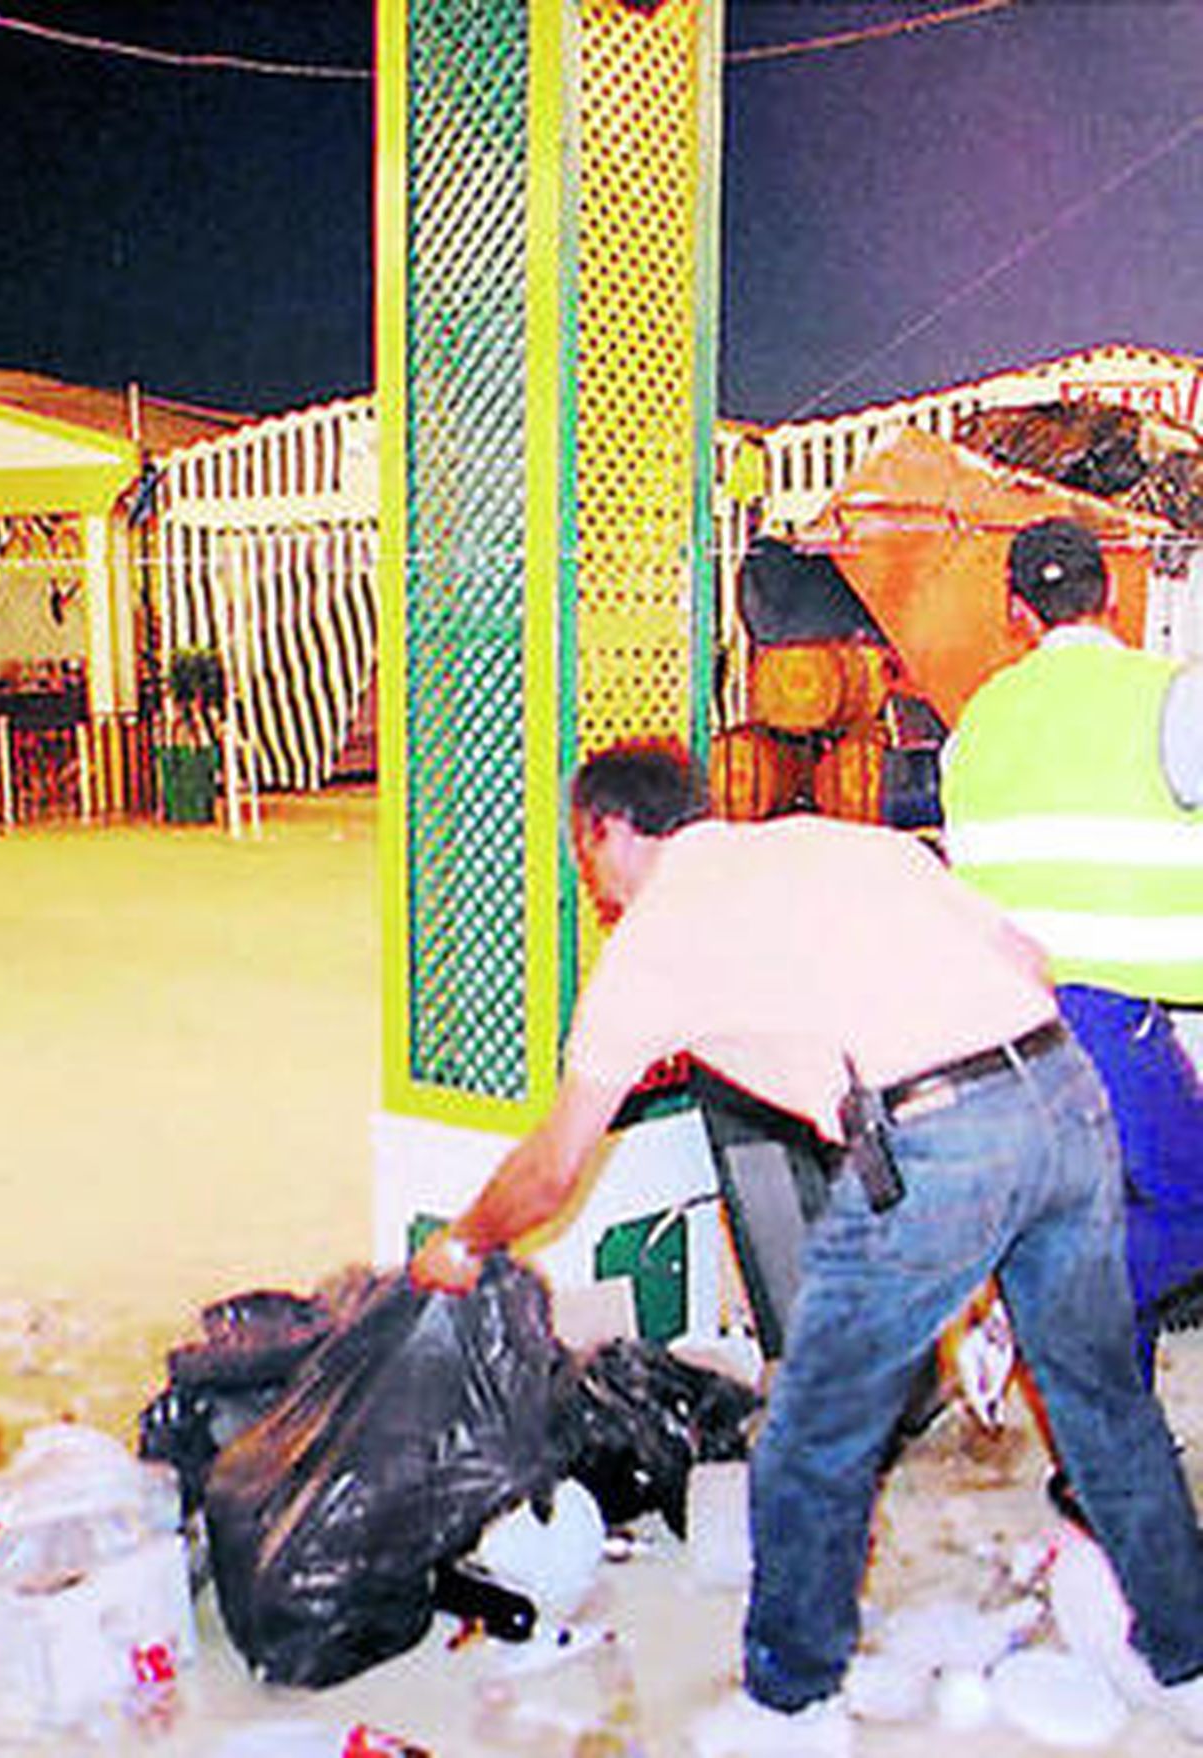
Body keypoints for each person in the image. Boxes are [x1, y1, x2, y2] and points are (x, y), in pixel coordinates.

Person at [410, 740, 1203, 1758]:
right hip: (1063, 1093)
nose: (594, 886)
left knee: (813, 1430)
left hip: (936, 1133)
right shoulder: (838, 843)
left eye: (586, 856)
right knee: (1104, 1407)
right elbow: (1025, 961)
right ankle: (1189, 1664)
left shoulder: (655, 937)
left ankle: (791, 1704)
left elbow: (555, 1166)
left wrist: (465, 1241)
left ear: (607, 831)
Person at [941, 516, 1203, 1390]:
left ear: (1018, 613)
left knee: (1105, 1215)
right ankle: (1036, 1309)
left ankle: (1111, 1455)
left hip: (1008, 1023)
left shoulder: (975, 726)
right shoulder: (1169, 697)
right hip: (1114, 1011)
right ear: (1113, 592)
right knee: (1190, 1206)